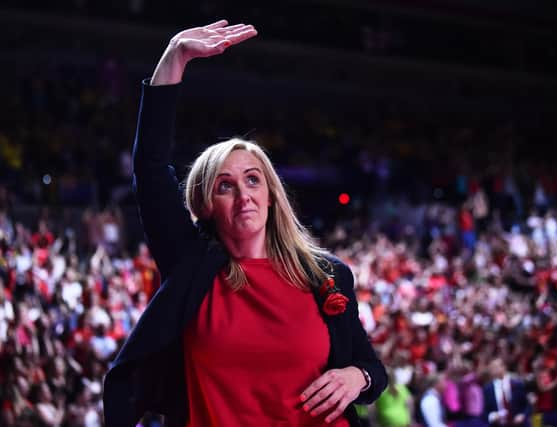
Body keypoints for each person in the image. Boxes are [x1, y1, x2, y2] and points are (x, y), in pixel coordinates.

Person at [103, 20, 387, 427]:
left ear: (271, 195)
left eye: (253, 179)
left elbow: (371, 368)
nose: (243, 194)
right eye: (225, 185)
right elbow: (149, 168)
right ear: (204, 206)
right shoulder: (190, 266)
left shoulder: (327, 276)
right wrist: (174, 58)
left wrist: (356, 376)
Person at [482, 358, 530, 427]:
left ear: (504, 367)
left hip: (518, 424)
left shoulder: (517, 384)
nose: (493, 370)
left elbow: (527, 405)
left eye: (496, 367)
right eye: (491, 368)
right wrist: (492, 416)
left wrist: (522, 415)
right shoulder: (487, 389)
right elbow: (483, 411)